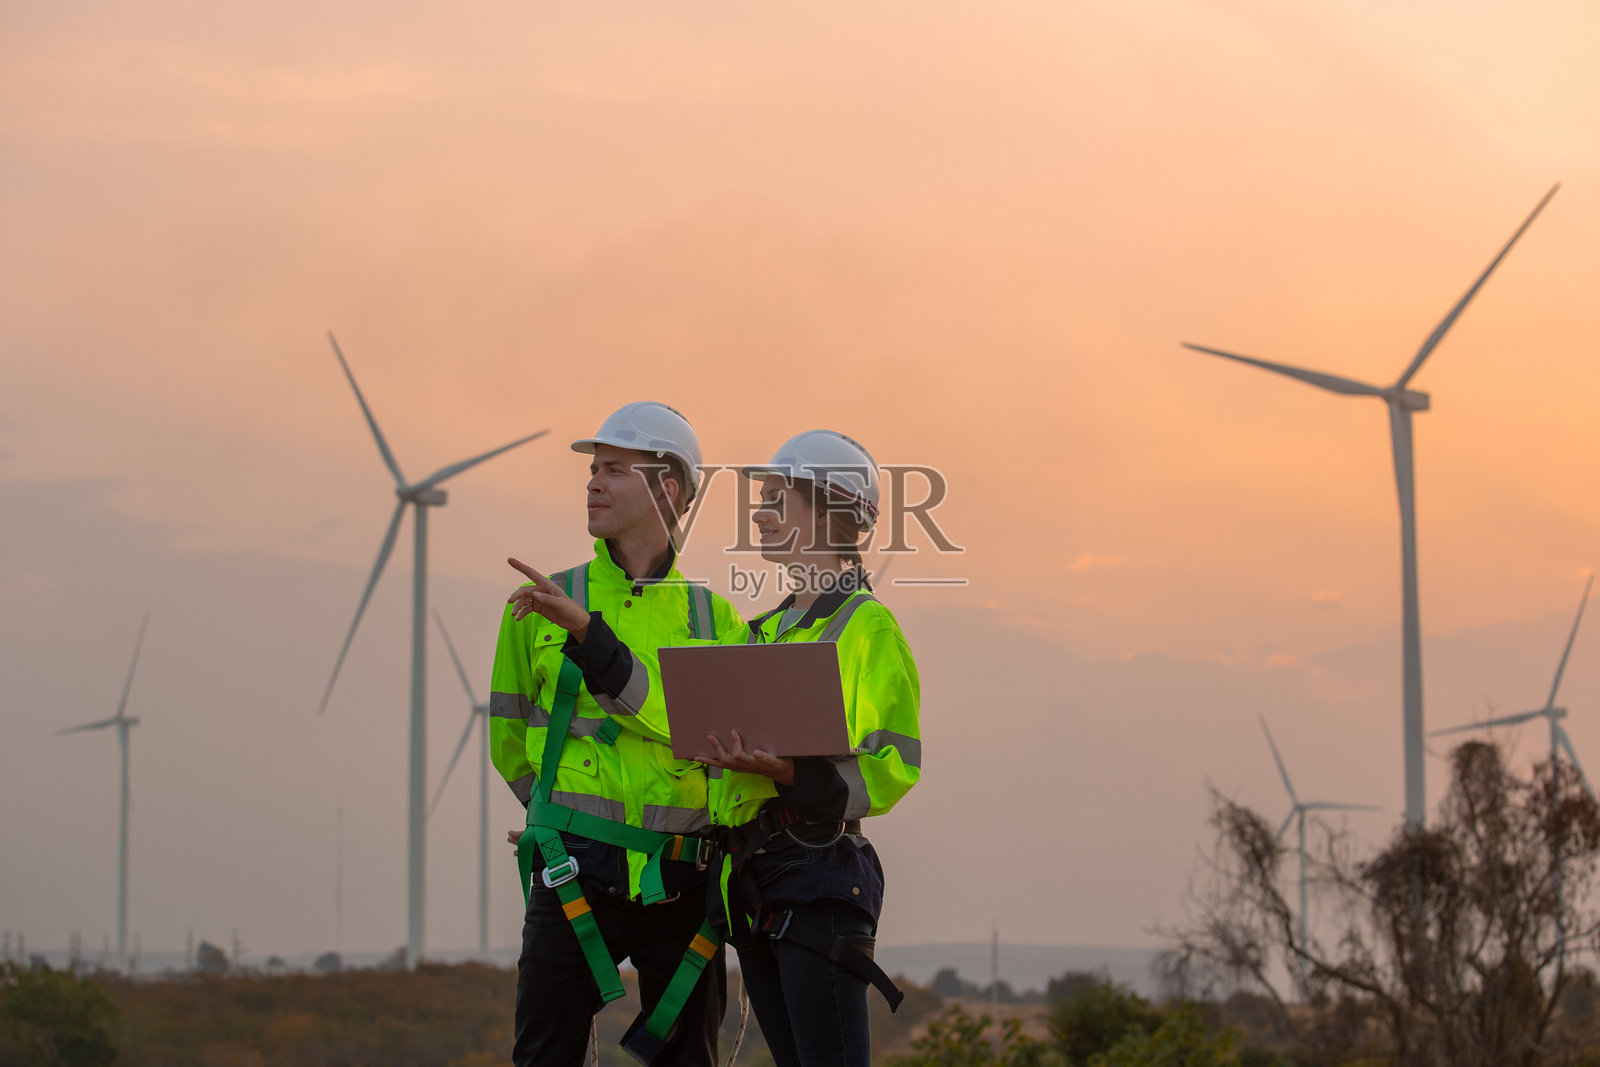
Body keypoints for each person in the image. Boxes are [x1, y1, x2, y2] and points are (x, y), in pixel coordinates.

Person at [489, 401, 747, 1067]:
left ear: (669, 490)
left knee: (688, 1059)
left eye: (613, 469)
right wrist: (553, 815)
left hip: (683, 878)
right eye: (592, 470)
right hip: (572, 871)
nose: (592, 483)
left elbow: (724, 753)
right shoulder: (540, 604)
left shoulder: (716, 620)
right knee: (543, 1056)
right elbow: (507, 737)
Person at [699, 429, 922, 1067]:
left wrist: (795, 773)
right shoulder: (760, 633)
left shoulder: (867, 627)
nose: (759, 514)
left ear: (826, 512)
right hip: (755, 883)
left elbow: (894, 767)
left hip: (820, 878)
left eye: (776, 500)